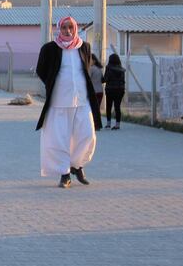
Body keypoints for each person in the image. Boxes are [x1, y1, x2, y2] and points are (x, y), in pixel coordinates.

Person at [35, 16, 101, 188]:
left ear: (76, 28)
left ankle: (76, 165)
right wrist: (52, 83)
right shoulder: (50, 48)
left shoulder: (84, 47)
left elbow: (86, 69)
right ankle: (64, 173)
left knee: (88, 135)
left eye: (70, 27)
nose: (68, 31)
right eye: (64, 28)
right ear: (59, 29)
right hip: (59, 101)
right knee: (60, 139)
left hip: (81, 100)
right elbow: (41, 69)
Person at [103, 53, 126, 130]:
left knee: (108, 106)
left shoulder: (108, 68)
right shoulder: (122, 69)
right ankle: (117, 124)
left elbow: (105, 79)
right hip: (120, 89)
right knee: (117, 107)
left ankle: (108, 124)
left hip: (110, 89)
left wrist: (101, 79)